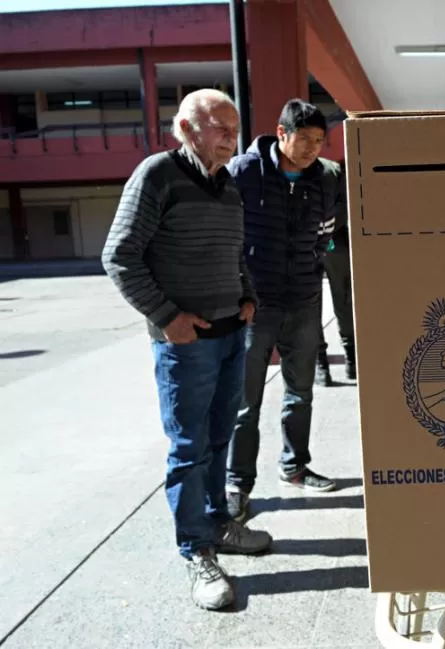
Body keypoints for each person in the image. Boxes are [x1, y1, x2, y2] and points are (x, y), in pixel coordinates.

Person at [102, 89, 273, 611]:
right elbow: (119, 256)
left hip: (229, 335)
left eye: (234, 129)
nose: (231, 138)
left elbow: (234, 251)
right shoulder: (157, 175)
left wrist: (247, 296)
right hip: (186, 344)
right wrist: (166, 317)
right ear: (185, 127)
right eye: (220, 127)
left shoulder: (227, 186)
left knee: (220, 435)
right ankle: (196, 550)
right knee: (188, 448)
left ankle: (220, 523)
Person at [224, 99, 342, 522]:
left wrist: (316, 260)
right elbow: (227, 236)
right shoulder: (243, 173)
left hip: (305, 300)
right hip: (255, 304)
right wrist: (240, 289)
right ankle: (238, 484)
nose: (312, 148)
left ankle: (294, 466)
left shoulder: (327, 178)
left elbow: (327, 233)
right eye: (305, 139)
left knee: (301, 391)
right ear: (281, 133)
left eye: (319, 141)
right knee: (244, 400)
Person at [316, 157, 355, 385]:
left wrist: (320, 227)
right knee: (321, 303)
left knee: (342, 301)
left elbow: (344, 203)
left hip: (329, 242)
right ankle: (327, 362)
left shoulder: (331, 169)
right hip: (323, 242)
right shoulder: (331, 168)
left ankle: (345, 360)